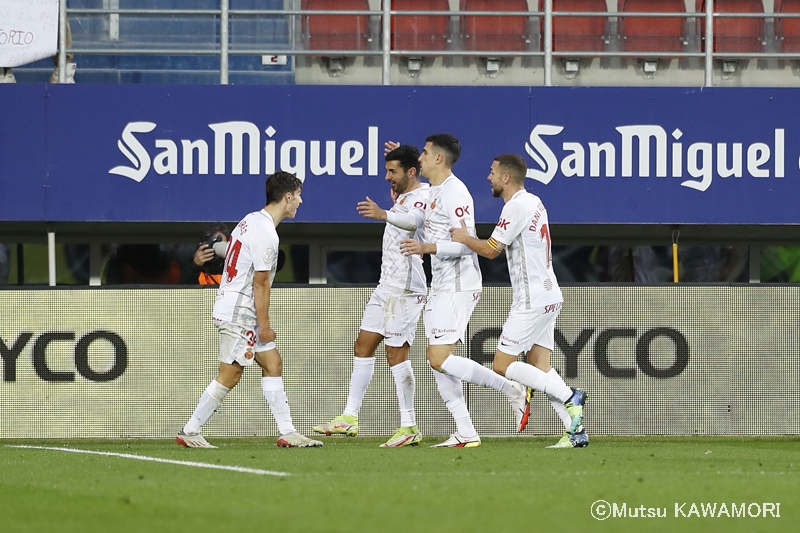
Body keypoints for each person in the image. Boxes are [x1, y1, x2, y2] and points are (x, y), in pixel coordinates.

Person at [398, 134, 529, 448]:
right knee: (439, 362)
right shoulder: (433, 192)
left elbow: (465, 242)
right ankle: (466, 431)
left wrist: (428, 246)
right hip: (441, 283)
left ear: (439, 158)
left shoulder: (456, 193)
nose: (420, 158)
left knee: (437, 357)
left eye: (425, 153)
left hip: (459, 284)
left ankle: (512, 389)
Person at [449, 153, 588, 448]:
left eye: (492, 172)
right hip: (550, 294)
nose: (489, 177)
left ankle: (569, 396)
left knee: (501, 364)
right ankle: (575, 431)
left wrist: (463, 237)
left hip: (532, 298)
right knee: (540, 366)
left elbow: (491, 249)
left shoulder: (516, 207)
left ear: (506, 178)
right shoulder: (535, 201)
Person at [176, 171, 322, 448]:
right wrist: (264, 325)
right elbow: (261, 283)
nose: (301, 202)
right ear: (287, 196)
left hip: (235, 305)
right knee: (230, 374)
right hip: (241, 312)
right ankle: (190, 429)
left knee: (272, 362)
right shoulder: (267, 233)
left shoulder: (249, 220)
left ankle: (288, 431)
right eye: (299, 196)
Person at [312, 145, 429, 448]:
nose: (387, 176)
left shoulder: (424, 195)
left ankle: (409, 425)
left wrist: (383, 213)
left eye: (393, 171)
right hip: (386, 285)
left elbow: (414, 222)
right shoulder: (402, 195)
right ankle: (349, 418)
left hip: (406, 288)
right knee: (363, 345)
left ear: (411, 172)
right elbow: (403, 204)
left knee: (396, 354)